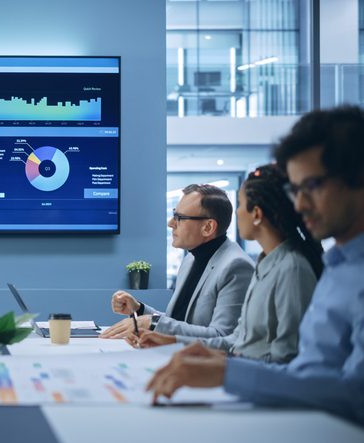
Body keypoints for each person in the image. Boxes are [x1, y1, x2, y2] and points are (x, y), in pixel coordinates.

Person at [146, 106, 364, 425]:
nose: (300, 204)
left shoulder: (292, 267)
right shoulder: (335, 267)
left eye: (313, 186)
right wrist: (191, 348)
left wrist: (229, 372)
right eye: (295, 190)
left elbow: (351, 391)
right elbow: (300, 367)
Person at [134, 164, 323, 363]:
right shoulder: (265, 263)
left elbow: (287, 356)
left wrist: (228, 374)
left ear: (256, 214)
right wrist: (168, 340)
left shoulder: (291, 269)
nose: (236, 214)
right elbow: (235, 340)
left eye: (240, 205)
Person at [102, 184, 254, 339]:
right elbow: (178, 322)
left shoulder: (236, 266)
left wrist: (152, 323)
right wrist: (140, 310)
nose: (170, 223)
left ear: (208, 227)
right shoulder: (190, 259)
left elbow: (223, 337)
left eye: (180, 218)